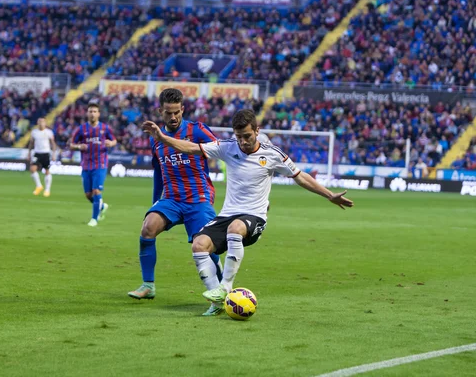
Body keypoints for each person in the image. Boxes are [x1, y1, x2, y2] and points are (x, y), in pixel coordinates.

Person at [142, 109, 354, 313]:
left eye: (247, 136)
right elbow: (190, 148)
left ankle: (226, 287)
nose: (243, 141)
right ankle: (217, 303)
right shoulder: (227, 147)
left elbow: (300, 176)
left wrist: (329, 195)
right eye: (239, 136)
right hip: (228, 214)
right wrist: (162, 137)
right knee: (199, 244)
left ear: (257, 130)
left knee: (235, 228)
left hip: (254, 217)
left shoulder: (272, 154)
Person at [128, 88, 224, 316]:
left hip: (198, 198)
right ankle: (148, 286)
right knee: (148, 227)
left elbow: (223, 150)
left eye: (176, 112)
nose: (173, 117)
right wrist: (155, 203)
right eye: (168, 113)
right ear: (160, 111)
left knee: (205, 244)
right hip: (171, 198)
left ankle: (221, 292)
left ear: (183, 109)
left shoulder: (197, 130)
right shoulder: (157, 139)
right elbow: (158, 173)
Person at [70, 102, 117, 227]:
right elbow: (71, 144)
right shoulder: (81, 129)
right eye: (90, 111)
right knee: (88, 195)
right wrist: (79, 146)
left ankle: (94, 219)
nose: (92, 113)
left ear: (99, 114)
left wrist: (110, 144)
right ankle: (101, 206)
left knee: (96, 191)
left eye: (95, 111)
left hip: (100, 164)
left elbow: (114, 140)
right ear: (87, 113)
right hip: (86, 165)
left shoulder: (105, 128)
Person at [28, 118, 56, 197]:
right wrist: (29, 153)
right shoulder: (34, 132)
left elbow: (53, 143)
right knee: (32, 169)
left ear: (45, 123)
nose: (41, 123)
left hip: (46, 153)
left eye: (42, 122)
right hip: (37, 153)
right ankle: (39, 186)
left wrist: (53, 154)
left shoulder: (49, 132)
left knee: (47, 171)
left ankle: (47, 190)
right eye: (39, 122)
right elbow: (31, 143)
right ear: (37, 123)